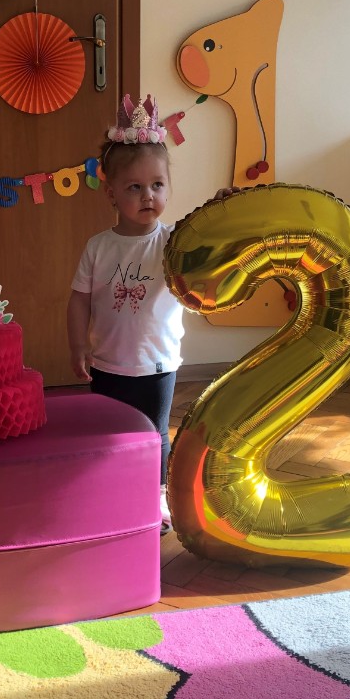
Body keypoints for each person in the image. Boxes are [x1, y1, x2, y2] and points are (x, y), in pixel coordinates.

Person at [67, 94, 232, 531]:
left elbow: (208, 235)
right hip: (108, 363)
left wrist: (221, 208)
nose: (148, 196)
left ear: (168, 187)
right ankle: (112, 489)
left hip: (158, 363)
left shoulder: (172, 241)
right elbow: (79, 298)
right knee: (110, 432)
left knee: (154, 433)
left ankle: (155, 498)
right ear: (111, 193)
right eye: (134, 187)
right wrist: (78, 345)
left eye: (157, 185)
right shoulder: (98, 247)